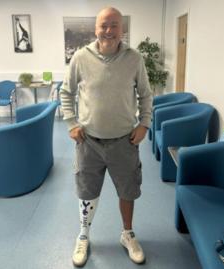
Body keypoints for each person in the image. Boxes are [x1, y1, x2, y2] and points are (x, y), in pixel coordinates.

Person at [59, 7, 153, 267]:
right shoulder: (80, 57)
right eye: (104, 25)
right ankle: (83, 234)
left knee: (128, 190)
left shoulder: (134, 59)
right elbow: (66, 92)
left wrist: (144, 124)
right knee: (86, 191)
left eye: (114, 25)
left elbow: (146, 94)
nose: (108, 30)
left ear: (122, 30)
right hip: (88, 142)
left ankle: (127, 233)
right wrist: (71, 123)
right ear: (96, 29)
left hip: (125, 141)